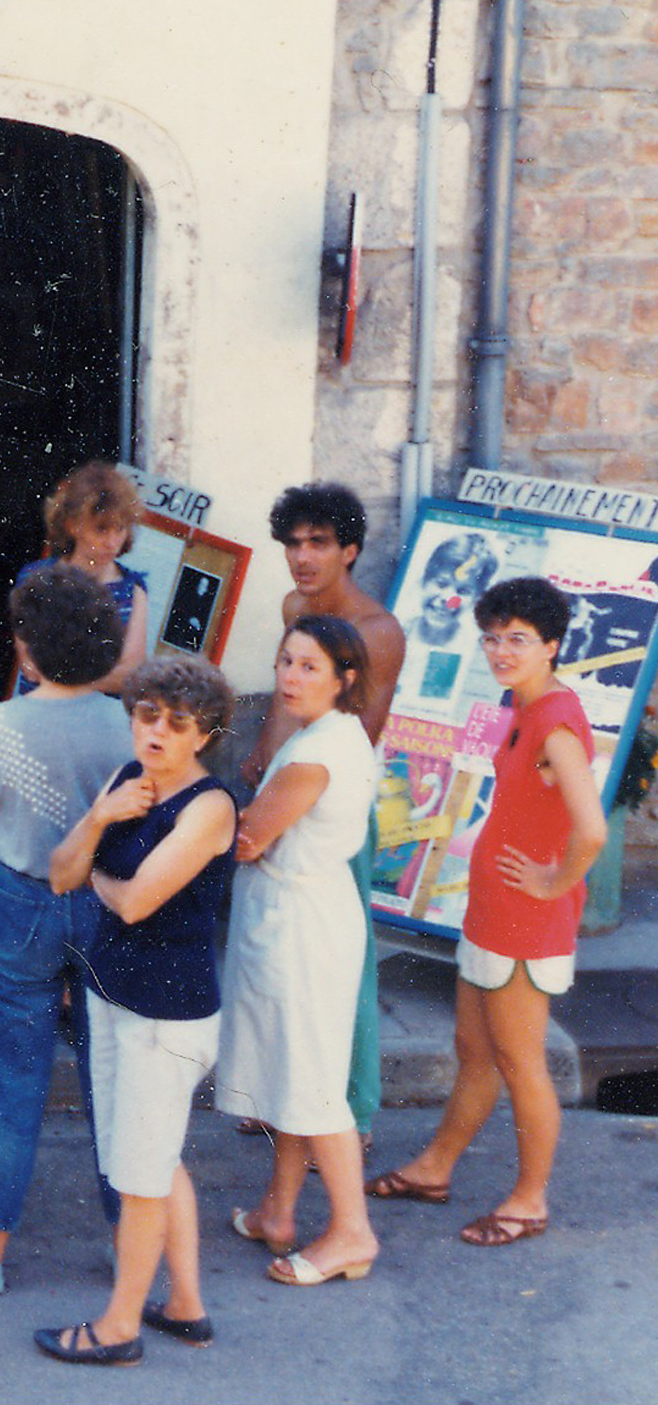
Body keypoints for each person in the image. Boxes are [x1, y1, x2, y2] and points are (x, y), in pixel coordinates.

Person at [366, 578, 606, 1248]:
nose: (501, 651)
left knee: (521, 1060)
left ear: (551, 646)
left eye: (519, 640)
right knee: (474, 1050)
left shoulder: (555, 719)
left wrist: (554, 883)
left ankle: (530, 1200)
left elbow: (591, 830)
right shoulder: (522, 703)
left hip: (526, 921)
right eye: (493, 638)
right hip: (493, 911)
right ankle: (434, 1168)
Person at [33, 655, 235, 1364]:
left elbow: (139, 898)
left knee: (139, 1174)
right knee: (150, 1157)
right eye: (147, 715)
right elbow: (60, 873)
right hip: (114, 996)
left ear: (203, 735)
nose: (156, 731)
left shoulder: (211, 807)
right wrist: (99, 817)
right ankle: (185, 1302)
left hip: (166, 1016)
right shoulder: (127, 783)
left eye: (176, 722)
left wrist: (94, 869)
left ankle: (119, 1327)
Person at [0, 565, 130, 1298]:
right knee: (106, 1079)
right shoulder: (125, 722)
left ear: (27, 648)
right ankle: (125, 1239)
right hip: (104, 902)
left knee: (18, 1083)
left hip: (22, 897)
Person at [239, 483, 405, 1147]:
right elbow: (289, 696)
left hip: (332, 808)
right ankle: (280, 1095)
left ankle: (353, 1113)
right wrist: (261, 756)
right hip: (286, 788)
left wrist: (279, 790)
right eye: (294, 543)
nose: (303, 557)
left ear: (350, 551)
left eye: (320, 543)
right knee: (273, 957)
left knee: (344, 960)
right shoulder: (294, 605)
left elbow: (347, 739)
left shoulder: (376, 632)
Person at [216, 615, 380, 1287]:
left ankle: (352, 1232)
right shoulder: (326, 734)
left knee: (312, 1082)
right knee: (292, 1070)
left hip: (303, 926)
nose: (289, 676)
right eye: (286, 661)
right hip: (292, 914)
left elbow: (249, 836)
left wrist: (227, 822)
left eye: (309, 666)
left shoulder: (318, 753)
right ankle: (279, 1211)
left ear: (345, 679)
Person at [14, 461, 149, 697]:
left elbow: (130, 673)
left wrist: (60, 681)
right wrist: (92, 680)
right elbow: (30, 665)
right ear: (73, 525)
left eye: (120, 529)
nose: (112, 541)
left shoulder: (134, 591)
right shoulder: (34, 579)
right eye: (101, 529)